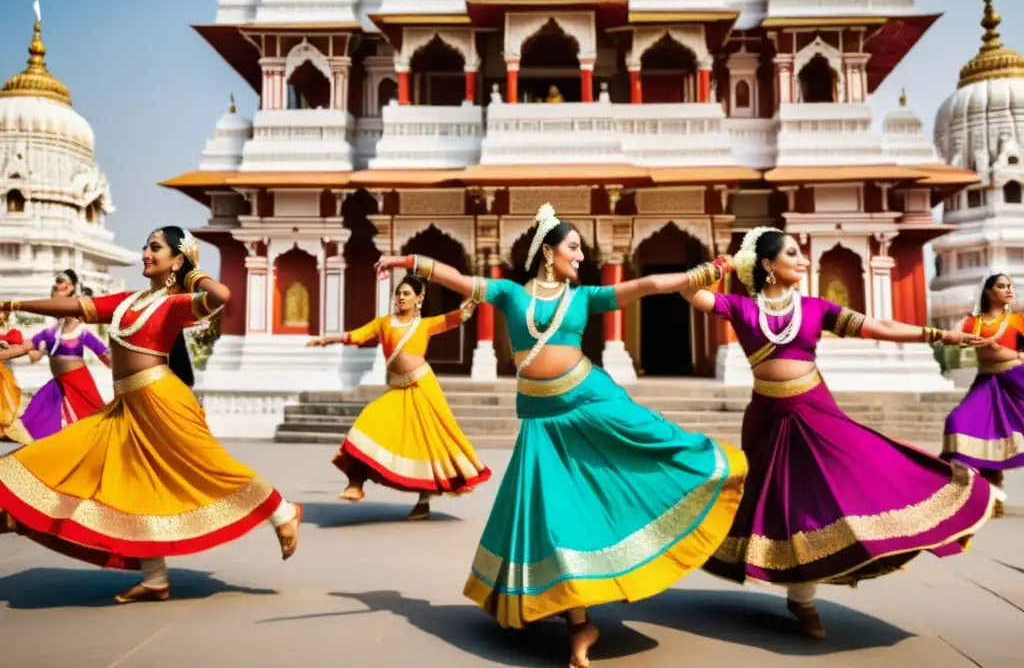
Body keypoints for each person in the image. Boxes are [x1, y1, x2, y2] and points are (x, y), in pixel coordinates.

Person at [373, 203, 748, 668]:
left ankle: (717, 468)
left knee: (658, 442)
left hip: (591, 402)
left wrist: (702, 272)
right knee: (556, 520)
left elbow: (647, 285)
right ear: (548, 253)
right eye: (574, 248)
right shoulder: (511, 295)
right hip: (541, 421)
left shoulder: (586, 296)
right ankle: (579, 623)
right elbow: (457, 280)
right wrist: (408, 263)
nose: (582, 257)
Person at [686, 227, 999, 640]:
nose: (802, 261)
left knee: (840, 488)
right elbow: (691, 292)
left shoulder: (816, 309)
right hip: (767, 417)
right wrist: (720, 265)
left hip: (815, 413)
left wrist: (940, 335)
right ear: (767, 264)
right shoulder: (742, 309)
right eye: (793, 253)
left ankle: (807, 598)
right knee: (783, 506)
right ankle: (801, 598)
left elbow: (879, 326)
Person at [0, 226, 303, 604]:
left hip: (163, 401)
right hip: (125, 408)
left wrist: (192, 272)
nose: (145, 252)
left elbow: (221, 295)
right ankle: (155, 578)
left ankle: (283, 512)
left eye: (155, 248)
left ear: (175, 260)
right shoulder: (128, 302)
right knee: (130, 485)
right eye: (145, 245)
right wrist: (15, 304)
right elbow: (76, 307)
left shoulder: (174, 304)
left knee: (212, 468)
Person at [308, 274, 491, 520]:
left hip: (423, 387)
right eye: (399, 293)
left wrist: (471, 303)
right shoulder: (384, 323)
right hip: (397, 389)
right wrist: (327, 339)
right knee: (368, 423)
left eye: (407, 294)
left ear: (419, 298)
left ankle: (424, 500)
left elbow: (454, 319)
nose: (401, 298)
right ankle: (356, 483)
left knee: (428, 442)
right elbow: (357, 335)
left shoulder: (425, 324)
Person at [941, 272, 1024, 517]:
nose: (1009, 290)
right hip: (988, 383)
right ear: (989, 291)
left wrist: (1009, 354)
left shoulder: (1018, 321)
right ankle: (991, 496)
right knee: (959, 423)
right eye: (1002, 286)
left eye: (1010, 286)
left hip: (1016, 383)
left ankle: (992, 497)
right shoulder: (972, 323)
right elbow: (954, 341)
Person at [12, 271, 110, 443]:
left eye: (62, 284)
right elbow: (31, 351)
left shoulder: (83, 330)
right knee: (42, 427)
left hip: (79, 383)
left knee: (93, 431)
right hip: (59, 385)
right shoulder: (50, 333)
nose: (57, 288)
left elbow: (107, 357)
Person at [0, 313, 28, 441]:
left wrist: (5, 349)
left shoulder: (11, 331)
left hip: (4, 372)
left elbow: (20, 348)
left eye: (2, 311)